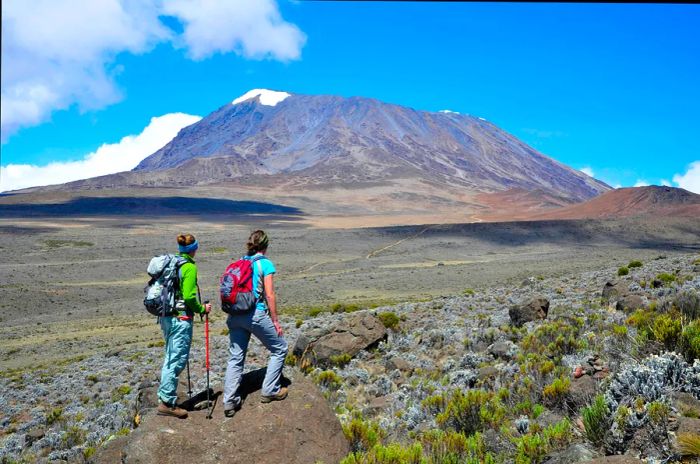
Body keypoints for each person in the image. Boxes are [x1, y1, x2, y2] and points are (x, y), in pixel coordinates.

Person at [223, 230, 289, 417]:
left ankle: (229, 401)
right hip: (255, 314)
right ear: (266, 246)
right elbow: (269, 294)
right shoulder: (264, 264)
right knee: (280, 348)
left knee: (236, 357)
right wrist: (275, 320)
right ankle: (270, 390)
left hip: (235, 315)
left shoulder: (240, 262)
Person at [157, 233, 212, 418]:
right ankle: (167, 403)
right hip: (181, 319)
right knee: (177, 360)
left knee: (170, 356)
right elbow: (189, 296)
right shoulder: (188, 267)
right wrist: (201, 308)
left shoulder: (173, 263)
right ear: (193, 249)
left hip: (167, 317)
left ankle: (165, 398)